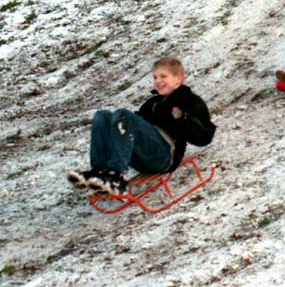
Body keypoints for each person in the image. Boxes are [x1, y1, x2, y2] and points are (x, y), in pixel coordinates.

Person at [67, 57, 215, 195]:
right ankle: (99, 171)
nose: (158, 81)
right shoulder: (152, 103)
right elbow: (135, 126)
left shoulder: (190, 100)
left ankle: (115, 177)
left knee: (123, 114)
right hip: (145, 155)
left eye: (163, 76)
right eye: (155, 77)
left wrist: (183, 118)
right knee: (102, 116)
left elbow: (204, 138)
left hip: (165, 156)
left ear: (178, 79)